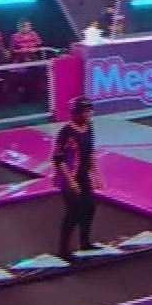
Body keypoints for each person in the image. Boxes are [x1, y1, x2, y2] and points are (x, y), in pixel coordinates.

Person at [52, 96, 99, 254]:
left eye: (89, 111)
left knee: (90, 207)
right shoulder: (66, 132)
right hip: (67, 176)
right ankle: (63, 249)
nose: (89, 114)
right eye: (86, 111)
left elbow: (90, 152)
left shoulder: (89, 127)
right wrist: (71, 181)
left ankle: (85, 242)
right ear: (77, 113)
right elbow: (58, 158)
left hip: (82, 175)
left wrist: (96, 175)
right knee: (74, 211)